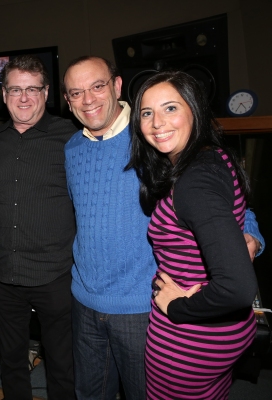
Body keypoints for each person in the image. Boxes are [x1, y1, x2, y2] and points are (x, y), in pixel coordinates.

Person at [62, 56, 264, 399]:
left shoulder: (154, 139)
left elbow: (221, 198)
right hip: (85, 302)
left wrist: (253, 238)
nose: (88, 100)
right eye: (75, 93)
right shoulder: (72, 149)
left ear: (116, 85)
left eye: (97, 87)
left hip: (142, 306)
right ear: (67, 101)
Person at [127, 70, 258, 399]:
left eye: (170, 108)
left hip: (190, 339)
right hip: (225, 332)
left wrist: (177, 307)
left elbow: (238, 288)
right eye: (147, 113)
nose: (157, 123)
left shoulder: (195, 181)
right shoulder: (214, 158)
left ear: (194, 110)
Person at [0, 54, 76, 400]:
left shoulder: (71, 138)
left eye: (32, 89)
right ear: (4, 94)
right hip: (5, 274)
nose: (24, 98)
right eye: (15, 90)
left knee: (61, 362)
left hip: (55, 274)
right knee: (10, 359)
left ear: (47, 93)